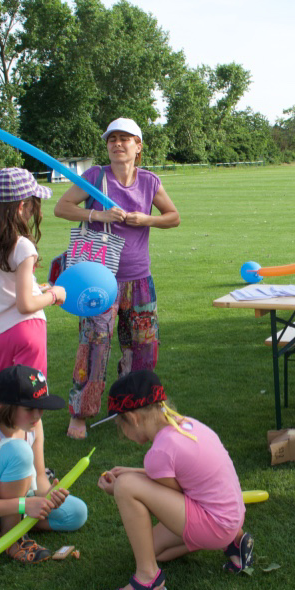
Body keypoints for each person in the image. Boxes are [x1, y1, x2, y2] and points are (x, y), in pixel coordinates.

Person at [54, 118, 181, 439]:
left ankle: (135, 411)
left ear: (138, 147)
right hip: (99, 281)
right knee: (94, 346)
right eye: (112, 139)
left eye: (125, 139)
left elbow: (173, 217)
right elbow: (62, 207)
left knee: (143, 349)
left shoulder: (149, 181)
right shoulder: (95, 177)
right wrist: (97, 214)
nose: (118, 144)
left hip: (140, 281)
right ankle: (80, 414)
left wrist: (146, 219)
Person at [96, 370, 252, 590]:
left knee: (126, 487)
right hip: (231, 519)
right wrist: (132, 471)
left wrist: (119, 486)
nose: (123, 434)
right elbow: (178, 478)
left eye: (120, 426)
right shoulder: (187, 425)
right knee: (153, 550)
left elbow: (174, 494)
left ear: (133, 418)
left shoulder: (159, 451)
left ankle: (147, 580)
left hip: (215, 526)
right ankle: (235, 543)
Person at [0, 364, 88, 563]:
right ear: (5, 406)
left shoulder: (34, 425)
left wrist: (49, 496)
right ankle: (12, 537)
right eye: (29, 409)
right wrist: (25, 505)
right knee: (18, 451)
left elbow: (39, 477)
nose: (37, 415)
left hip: (7, 499)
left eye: (41, 407)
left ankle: (1, 522)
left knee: (77, 513)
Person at [0, 168, 65, 402]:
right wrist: (55, 294)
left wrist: (6, 288)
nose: (34, 211)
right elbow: (25, 305)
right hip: (28, 330)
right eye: (33, 205)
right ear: (21, 206)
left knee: (8, 402)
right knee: (33, 402)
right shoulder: (23, 246)